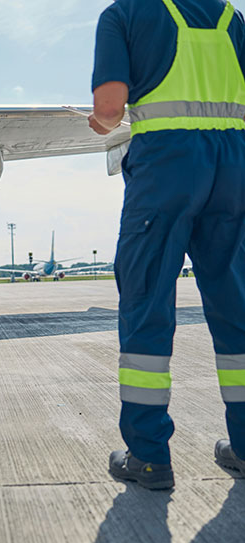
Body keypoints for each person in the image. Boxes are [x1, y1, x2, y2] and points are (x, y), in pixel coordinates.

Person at [90, 0, 245, 489]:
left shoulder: (124, 15)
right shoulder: (231, 18)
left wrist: (100, 123)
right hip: (234, 170)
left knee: (147, 305)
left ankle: (150, 457)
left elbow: (111, 109)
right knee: (236, 309)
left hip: (166, 170)